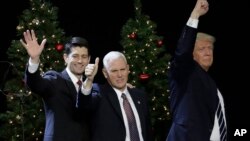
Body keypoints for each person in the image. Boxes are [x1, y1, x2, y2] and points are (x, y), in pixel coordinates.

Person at [20, 30, 99, 141]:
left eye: (84, 56)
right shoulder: (55, 79)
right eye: (75, 56)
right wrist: (34, 59)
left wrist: (125, 88)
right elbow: (36, 83)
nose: (80, 61)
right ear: (65, 58)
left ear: (89, 59)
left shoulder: (91, 87)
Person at [166, 0, 227, 141]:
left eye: (210, 48)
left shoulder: (209, 81)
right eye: (201, 48)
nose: (208, 52)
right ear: (192, 55)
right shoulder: (185, 72)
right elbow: (182, 52)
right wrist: (195, 15)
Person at [88, 51, 153, 141]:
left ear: (128, 69)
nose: (120, 75)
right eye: (114, 71)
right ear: (105, 73)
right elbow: (83, 104)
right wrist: (89, 80)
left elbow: (148, 131)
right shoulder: (99, 94)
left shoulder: (140, 95)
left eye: (122, 69)